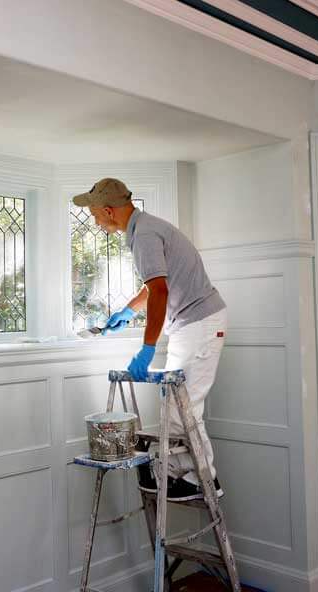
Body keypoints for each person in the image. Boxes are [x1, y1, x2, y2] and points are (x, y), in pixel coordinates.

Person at [73, 178, 228, 501]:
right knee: (177, 406)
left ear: (108, 210)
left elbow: (160, 290)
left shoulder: (143, 235)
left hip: (198, 323)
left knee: (181, 407)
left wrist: (147, 347)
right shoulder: (145, 228)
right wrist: (127, 312)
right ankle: (183, 474)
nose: (95, 221)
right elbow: (152, 287)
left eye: (94, 214)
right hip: (191, 324)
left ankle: (203, 479)